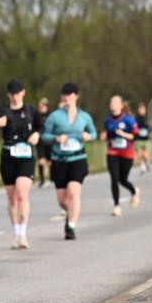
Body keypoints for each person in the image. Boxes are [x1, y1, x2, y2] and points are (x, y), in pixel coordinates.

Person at [0, 79, 42, 249]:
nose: (15, 96)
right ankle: (16, 232)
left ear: (23, 93)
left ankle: (23, 233)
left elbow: (43, 127)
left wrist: (37, 135)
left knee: (21, 193)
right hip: (8, 157)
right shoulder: (3, 111)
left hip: (26, 157)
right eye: (12, 93)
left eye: (18, 93)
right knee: (11, 198)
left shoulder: (31, 111)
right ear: (8, 95)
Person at [41, 83, 96, 240]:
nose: (67, 98)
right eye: (65, 95)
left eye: (70, 95)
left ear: (76, 97)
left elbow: (93, 132)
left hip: (78, 158)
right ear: (62, 97)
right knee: (62, 199)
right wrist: (56, 138)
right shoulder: (54, 116)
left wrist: (88, 136)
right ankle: (70, 213)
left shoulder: (84, 116)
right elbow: (44, 136)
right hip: (59, 160)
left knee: (73, 191)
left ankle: (71, 226)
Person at [100, 95, 141, 217]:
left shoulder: (128, 120)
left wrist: (123, 134)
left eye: (115, 102)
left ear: (121, 105)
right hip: (112, 152)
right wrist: (103, 136)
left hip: (127, 153)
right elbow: (105, 135)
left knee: (123, 180)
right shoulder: (107, 120)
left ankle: (134, 191)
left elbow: (135, 136)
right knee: (114, 178)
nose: (112, 104)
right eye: (111, 101)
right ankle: (116, 206)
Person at [35, 97, 52, 188]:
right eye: (40, 106)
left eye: (43, 106)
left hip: (49, 141)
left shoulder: (51, 116)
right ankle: (42, 180)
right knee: (41, 160)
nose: (41, 108)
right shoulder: (36, 116)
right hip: (40, 141)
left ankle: (52, 178)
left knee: (49, 161)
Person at [134, 102, 151, 174]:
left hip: (146, 139)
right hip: (138, 139)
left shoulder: (147, 118)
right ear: (138, 110)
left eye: (143, 109)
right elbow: (133, 127)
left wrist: (150, 132)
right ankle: (142, 166)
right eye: (140, 109)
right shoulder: (135, 118)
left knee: (145, 154)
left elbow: (150, 128)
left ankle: (146, 162)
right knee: (140, 154)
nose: (142, 111)